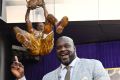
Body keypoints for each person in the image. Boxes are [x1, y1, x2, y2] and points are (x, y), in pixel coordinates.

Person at [11, 36, 110, 80]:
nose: (62, 49)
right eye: (59, 48)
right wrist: (21, 77)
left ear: (74, 49)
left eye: (67, 46)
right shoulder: (47, 77)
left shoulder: (93, 65)